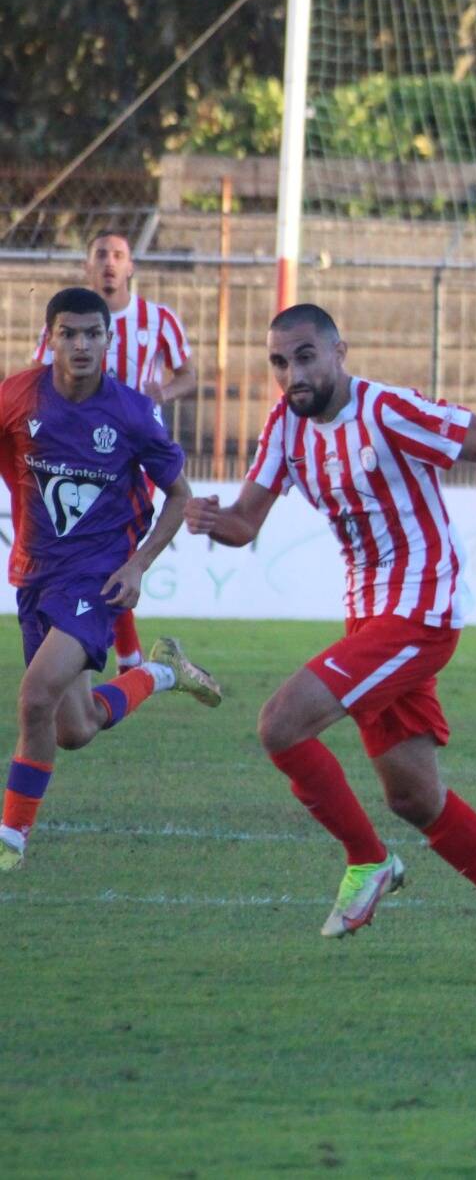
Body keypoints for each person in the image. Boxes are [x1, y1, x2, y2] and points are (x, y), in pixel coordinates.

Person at [184, 304, 476, 967]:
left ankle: (367, 860)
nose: (293, 373)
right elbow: (246, 523)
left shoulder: (388, 411)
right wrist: (210, 518)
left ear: (340, 350)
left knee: (279, 724)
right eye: (280, 362)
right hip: (369, 617)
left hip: (421, 612)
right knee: (413, 795)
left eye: (307, 355)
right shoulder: (285, 425)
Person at [1, 288, 220, 871]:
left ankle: (10, 840)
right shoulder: (18, 396)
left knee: (34, 696)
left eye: (91, 333)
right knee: (75, 728)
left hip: (97, 580)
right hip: (35, 576)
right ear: (49, 339)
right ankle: (163, 670)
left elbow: (178, 496)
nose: (80, 344)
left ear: (108, 339)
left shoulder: (130, 412)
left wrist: (137, 565)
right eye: (68, 333)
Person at [31, 233, 197, 673]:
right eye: (100, 254)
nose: (109, 262)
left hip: (131, 454)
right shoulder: (66, 320)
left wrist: (163, 391)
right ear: (88, 266)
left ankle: (122, 656)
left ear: (131, 267)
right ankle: (130, 660)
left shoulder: (158, 319)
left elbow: (188, 375)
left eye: (118, 255)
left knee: (103, 553)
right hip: (73, 454)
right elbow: (38, 375)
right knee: (99, 556)